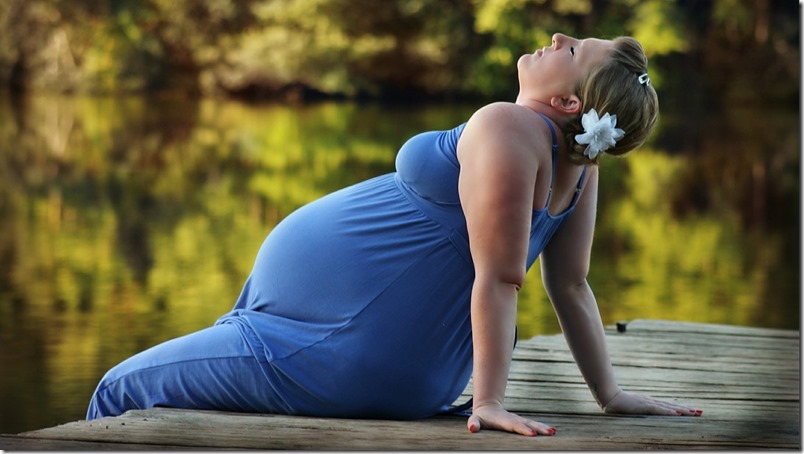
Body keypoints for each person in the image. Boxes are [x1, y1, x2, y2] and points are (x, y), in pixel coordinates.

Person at [86, 33, 702, 437]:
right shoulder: (579, 166)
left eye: (571, 50)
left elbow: (501, 276)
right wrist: (609, 393)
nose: (558, 38)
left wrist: (487, 402)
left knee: (118, 391)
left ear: (569, 103)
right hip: (361, 351)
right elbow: (570, 286)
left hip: (326, 348)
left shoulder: (508, 126)